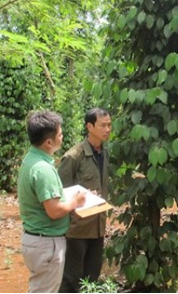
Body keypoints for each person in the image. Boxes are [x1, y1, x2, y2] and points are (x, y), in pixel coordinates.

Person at [18, 111, 86, 293]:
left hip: (35, 240)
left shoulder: (31, 160)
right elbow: (54, 211)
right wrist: (76, 201)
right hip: (46, 244)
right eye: (60, 135)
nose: (62, 138)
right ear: (49, 142)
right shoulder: (43, 170)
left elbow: (44, 197)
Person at [58, 108, 112, 293]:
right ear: (90, 126)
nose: (107, 129)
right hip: (77, 230)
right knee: (71, 279)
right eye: (103, 125)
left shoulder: (105, 154)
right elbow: (61, 193)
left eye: (109, 125)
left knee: (92, 278)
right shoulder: (74, 156)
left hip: (97, 227)